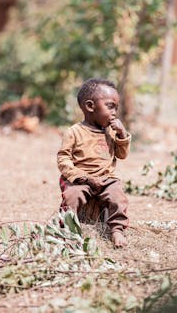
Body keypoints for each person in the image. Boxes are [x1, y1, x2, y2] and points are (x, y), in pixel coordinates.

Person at [57, 78, 131, 248]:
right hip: (80, 178)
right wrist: (84, 177)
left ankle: (117, 229)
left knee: (118, 196)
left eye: (116, 108)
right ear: (90, 107)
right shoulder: (74, 132)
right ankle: (67, 229)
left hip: (106, 178)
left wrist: (122, 134)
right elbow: (63, 159)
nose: (114, 113)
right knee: (72, 196)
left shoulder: (111, 132)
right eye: (110, 106)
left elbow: (122, 154)